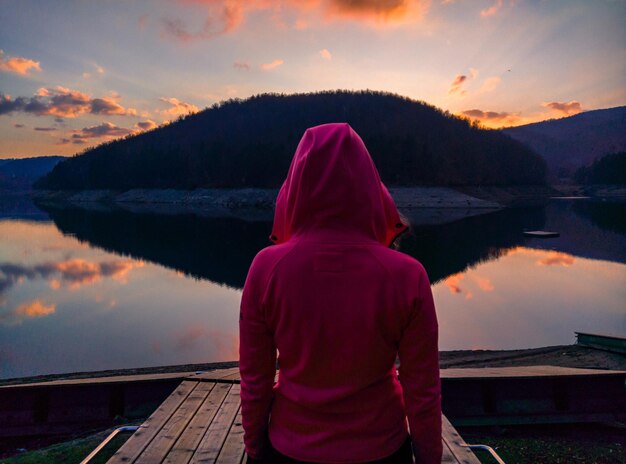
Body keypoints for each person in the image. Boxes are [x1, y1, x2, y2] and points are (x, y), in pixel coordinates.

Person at [239, 123, 442, 464]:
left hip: (290, 450)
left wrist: (255, 449)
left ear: (297, 185)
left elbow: (255, 381)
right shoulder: (408, 276)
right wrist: (429, 459)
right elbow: (422, 391)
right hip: (382, 452)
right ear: (369, 186)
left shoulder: (266, 269)